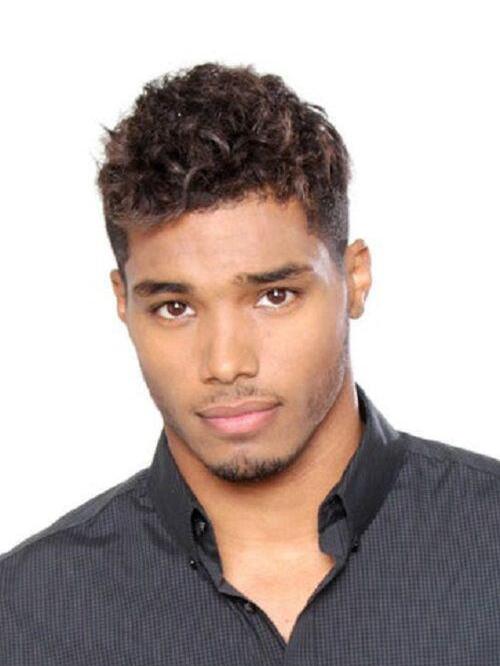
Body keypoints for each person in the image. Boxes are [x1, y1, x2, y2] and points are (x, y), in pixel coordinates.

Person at [1, 62, 499, 665]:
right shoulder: (25, 615)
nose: (226, 363)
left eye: (274, 296)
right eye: (176, 307)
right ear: (123, 303)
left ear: (355, 279)